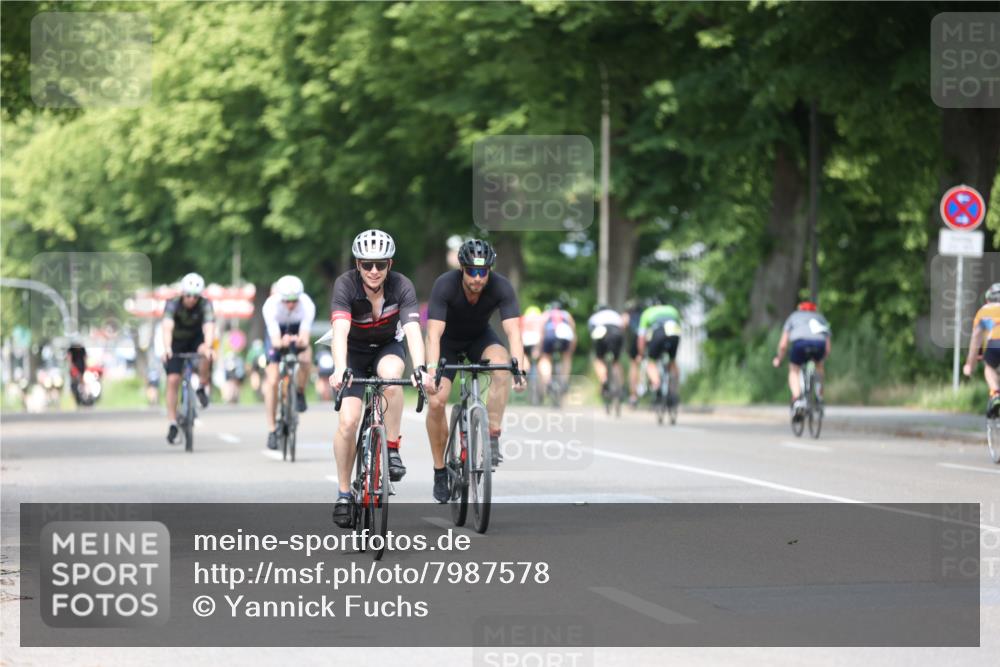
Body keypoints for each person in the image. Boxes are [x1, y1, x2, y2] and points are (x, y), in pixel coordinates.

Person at [329, 230, 427, 527]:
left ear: (390, 264)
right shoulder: (345, 285)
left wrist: (421, 367)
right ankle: (344, 493)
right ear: (357, 265)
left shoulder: (402, 286)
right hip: (354, 353)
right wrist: (338, 367)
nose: (374, 271)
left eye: (380, 264)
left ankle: (393, 449)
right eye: (367, 264)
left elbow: (412, 332)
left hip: (387, 347)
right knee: (348, 421)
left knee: (392, 377)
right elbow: (340, 333)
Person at [424, 239, 525, 502]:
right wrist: (432, 371)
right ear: (462, 268)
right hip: (446, 342)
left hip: (480, 339)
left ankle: (492, 434)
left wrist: (520, 369)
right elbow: (433, 334)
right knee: (436, 401)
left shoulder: (501, 286)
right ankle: (439, 470)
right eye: (472, 271)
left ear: (489, 270)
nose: (478, 278)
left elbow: (514, 331)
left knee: (502, 369)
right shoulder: (444, 285)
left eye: (483, 272)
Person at [261, 275, 316, 449]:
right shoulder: (270, 306)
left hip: (296, 330)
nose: (291, 304)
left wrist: (299, 341)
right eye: (286, 301)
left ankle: (299, 391)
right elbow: (275, 341)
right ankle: (271, 429)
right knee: (272, 380)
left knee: (306, 357)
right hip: (277, 335)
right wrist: (282, 342)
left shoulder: (307, 305)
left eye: (294, 300)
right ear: (280, 298)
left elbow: (305, 339)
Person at [161, 272, 215, 444]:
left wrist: (208, 346)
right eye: (189, 295)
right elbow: (167, 327)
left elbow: (209, 327)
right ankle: (172, 422)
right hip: (176, 342)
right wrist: (167, 348)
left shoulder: (205, 304)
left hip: (196, 340)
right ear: (183, 293)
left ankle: (202, 386)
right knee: (173, 380)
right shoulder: (173, 304)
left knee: (206, 353)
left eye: (195, 296)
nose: (192, 299)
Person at [772, 300, 831, 416]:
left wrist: (779, 358)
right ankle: (819, 395)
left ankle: (798, 399)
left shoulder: (793, 317)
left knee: (794, 369)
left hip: (800, 344)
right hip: (819, 344)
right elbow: (828, 348)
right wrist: (821, 360)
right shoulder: (820, 318)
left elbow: (783, 344)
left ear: (800, 309)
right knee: (819, 366)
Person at [963, 283, 1000, 416]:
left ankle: (995, 393)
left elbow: (976, 339)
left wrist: (970, 364)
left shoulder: (984, 311)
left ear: (988, 299)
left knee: (989, 368)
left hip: (995, 343)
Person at [637, 299, 682, 404]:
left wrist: (641, 353)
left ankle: (657, 384)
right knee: (672, 362)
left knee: (650, 362)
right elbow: (679, 328)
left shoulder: (647, 312)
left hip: (658, 333)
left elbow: (641, 337)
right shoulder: (673, 310)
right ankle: (674, 391)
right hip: (674, 334)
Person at [538, 300, 576, 398]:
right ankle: (564, 381)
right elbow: (573, 334)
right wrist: (570, 350)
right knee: (566, 357)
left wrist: (539, 349)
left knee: (545, 358)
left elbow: (541, 332)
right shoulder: (567, 315)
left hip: (550, 336)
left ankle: (548, 381)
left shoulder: (546, 314)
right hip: (565, 337)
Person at [588, 304, 625, 396]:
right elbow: (622, 327)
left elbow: (591, 331)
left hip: (602, 333)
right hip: (616, 334)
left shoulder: (595, 317)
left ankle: (604, 380)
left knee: (598, 360)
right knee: (616, 362)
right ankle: (620, 387)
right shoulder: (615, 315)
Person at [622, 298, 645, 407]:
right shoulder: (645, 314)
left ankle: (633, 396)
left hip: (636, 339)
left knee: (634, 365)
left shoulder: (628, 315)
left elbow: (622, 325)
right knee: (651, 363)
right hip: (648, 338)